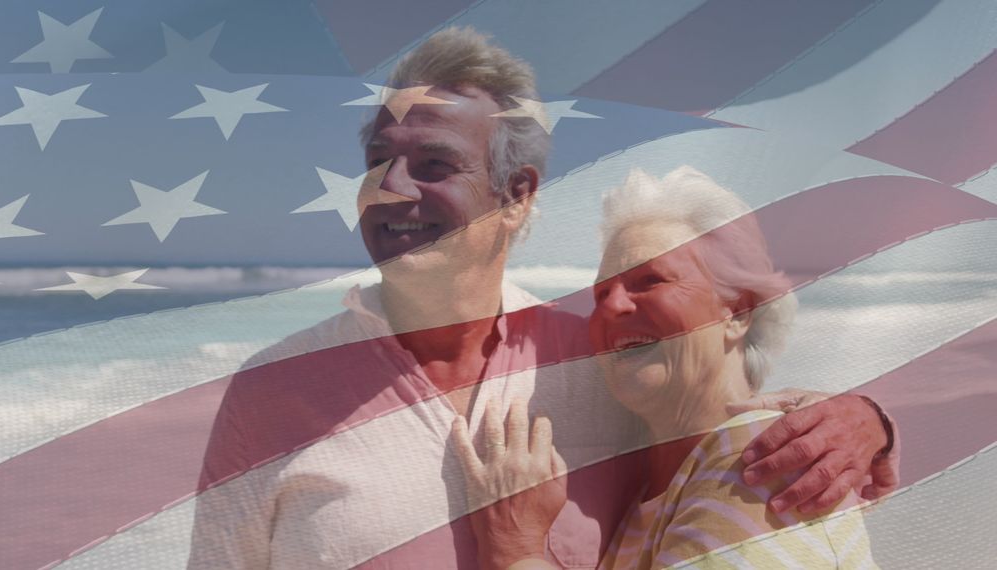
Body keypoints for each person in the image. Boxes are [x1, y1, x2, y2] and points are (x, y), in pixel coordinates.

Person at [189, 28, 897, 569]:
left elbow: (717, 421)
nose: (391, 188)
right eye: (378, 162)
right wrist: (869, 422)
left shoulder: (598, 361)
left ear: (517, 195)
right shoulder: (270, 391)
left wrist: (861, 422)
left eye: (433, 164)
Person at [454, 167, 884, 569]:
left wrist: (515, 547)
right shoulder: (655, 492)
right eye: (601, 294)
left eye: (651, 281)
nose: (612, 306)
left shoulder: (760, 457)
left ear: (737, 313)